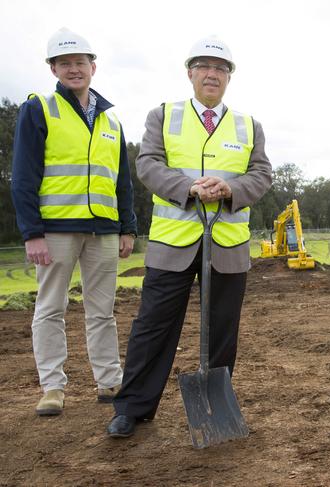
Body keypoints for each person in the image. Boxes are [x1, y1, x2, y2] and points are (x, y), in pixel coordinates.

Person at [106, 35, 272, 438]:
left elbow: (262, 175)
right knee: (153, 326)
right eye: (203, 66)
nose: (211, 74)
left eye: (220, 68)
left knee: (221, 330)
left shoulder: (249, 126)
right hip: (172, 242)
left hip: (227, 246)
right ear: (190, 73)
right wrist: (187, 189)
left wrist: (230, 190)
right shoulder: (164, 116)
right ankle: (132, 407)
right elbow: (147, 164)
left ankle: (216, 405)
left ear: (229, 77)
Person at [10, 28, 137, 416]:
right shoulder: (39, 109)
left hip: (103, 229)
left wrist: (128, 226)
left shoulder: (112, 120)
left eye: (80, 62)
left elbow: (121, 181)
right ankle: (53, 388)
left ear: (92, 66)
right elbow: (24, 176)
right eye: (64, 63)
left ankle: (109, 380)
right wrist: (32, 233)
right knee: (50, 308)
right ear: (53, 68)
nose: (73, 69)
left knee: (103, 310)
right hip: (56, 229)